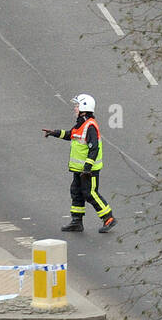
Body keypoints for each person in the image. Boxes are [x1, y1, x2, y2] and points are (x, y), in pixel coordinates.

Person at [43, 93, 116, 233]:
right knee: (76, 192)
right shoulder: (81, 123)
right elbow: (72, 135)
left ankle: (109, 218)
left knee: (90, 193)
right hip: (79, 169)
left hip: (89, 170)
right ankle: (77, 222)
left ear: (84, 107)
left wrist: (87, 168)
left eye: (76, 106)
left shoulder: (90, 126)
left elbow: (94, 148)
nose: (74, 108)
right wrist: (55, 133)